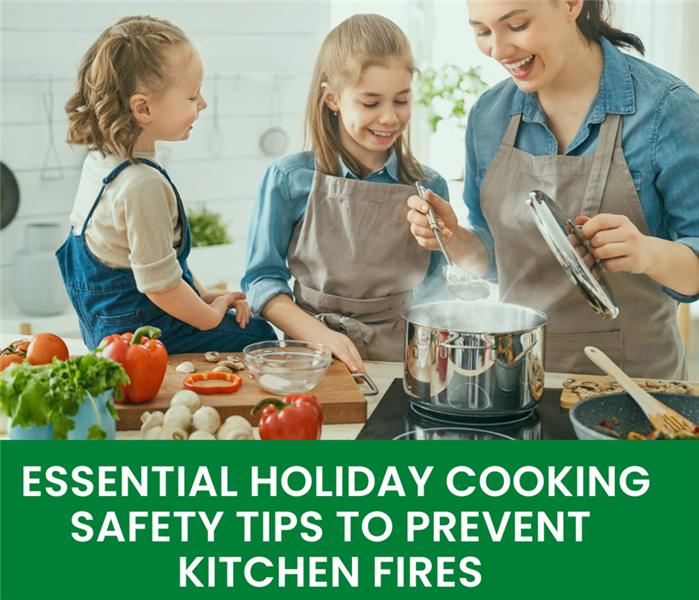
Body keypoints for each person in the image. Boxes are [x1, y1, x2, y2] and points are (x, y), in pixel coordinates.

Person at [407, 0, 699, 379]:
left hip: (633, 387)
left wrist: (646, 253)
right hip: (516, 380)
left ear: (571, 4)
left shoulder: (665, 109)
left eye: (517, 25)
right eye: (482, 31)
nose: (497, 50)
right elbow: (498, 258)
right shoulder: (489, 116)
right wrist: (457, 240)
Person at [242, 14, 451, 374]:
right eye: (371, 103)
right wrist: (319, 335)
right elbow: (262, 282)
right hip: (310, 353)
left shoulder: (429, 186)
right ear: (333, 98)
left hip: (404, 356)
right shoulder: (289, 178)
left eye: (401, 100)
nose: (389, 118)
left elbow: (438, 288)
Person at [57, 16, 276, 353]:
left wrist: (203, 295)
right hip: (141, 336)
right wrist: (210, 315)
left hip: (103, 328)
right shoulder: (141, 184)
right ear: (143, 108)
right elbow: (159, 287)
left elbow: (159, 260)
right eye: (192, 96)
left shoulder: (100, 161)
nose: (202, 104)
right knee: (260, 336)